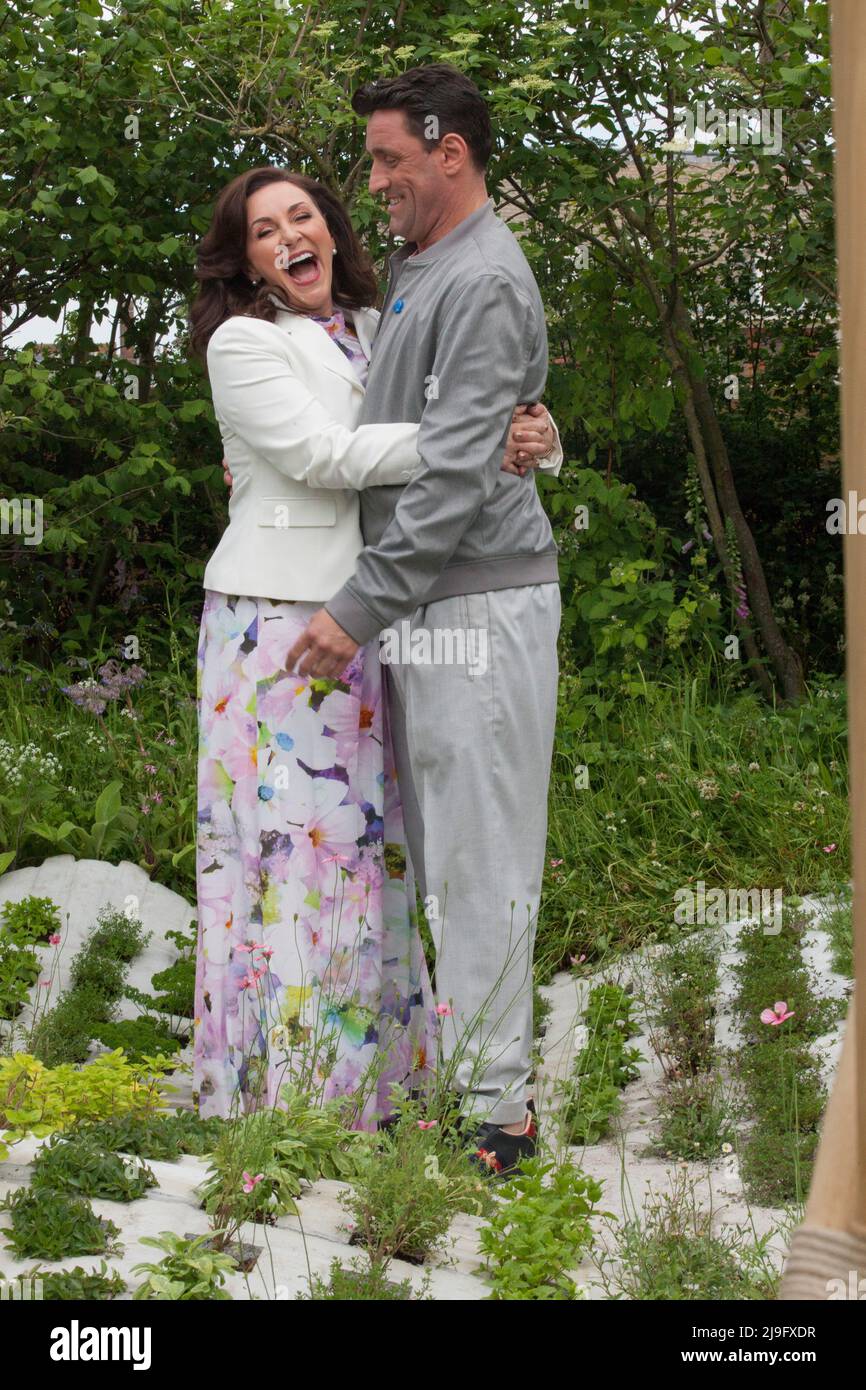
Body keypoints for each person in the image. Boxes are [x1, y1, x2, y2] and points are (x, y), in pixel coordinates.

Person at [189, 165, 561, 1132]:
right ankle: (282, 1094)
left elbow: (473, 396)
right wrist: (472, 439)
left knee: (362, 852)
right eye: (264, 230)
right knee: (287, 852)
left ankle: (378, 1087)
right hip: (280, 620)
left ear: (331, 229)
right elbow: (326, 456)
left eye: (302, 217)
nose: (289, 238)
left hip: (363, 614)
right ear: (246, 260)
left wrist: (534, 432)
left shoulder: (373, 321)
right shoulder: (244, 342)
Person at [285, 65, 563, 1177]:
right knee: (448, 855)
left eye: (389, 158)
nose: (373, 181)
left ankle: (501, 1117)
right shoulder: (422, 266)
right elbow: (459, 432)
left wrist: (355, 611)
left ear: (451, 152)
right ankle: (466, 1087)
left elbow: (452, 477)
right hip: (433, 600)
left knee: (482, 855)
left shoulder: (481, 275)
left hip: (476, 603)